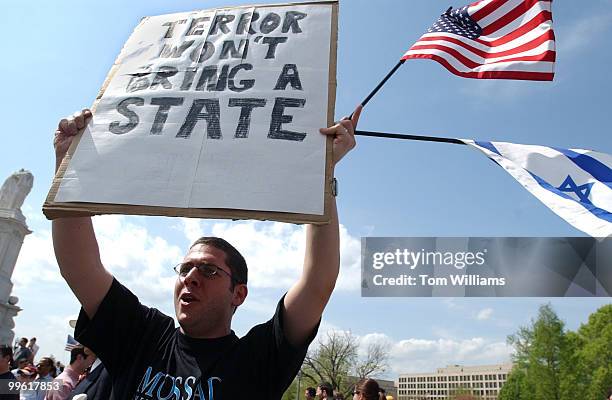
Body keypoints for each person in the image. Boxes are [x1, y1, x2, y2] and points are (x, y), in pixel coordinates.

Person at [51, 105, 361, 399]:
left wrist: (322, 172)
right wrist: (68, 165)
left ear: (238, 294)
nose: (190, 278)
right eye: (184, 269)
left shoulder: (257, 360)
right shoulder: (143, 336)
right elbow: (80, 268)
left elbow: (318, 280)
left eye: (208, 270)